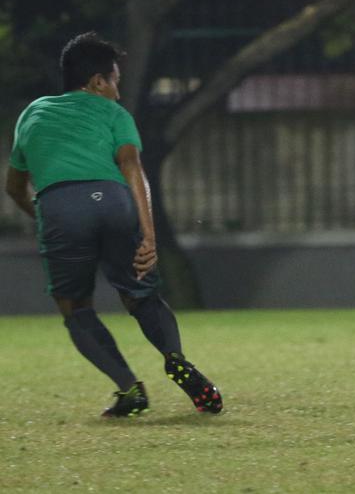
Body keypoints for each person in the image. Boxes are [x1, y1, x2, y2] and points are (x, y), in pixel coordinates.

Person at [5, 33, 222, 417]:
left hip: (59, 204)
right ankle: (176, 359)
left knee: (75, 308)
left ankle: (129, 389)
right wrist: (149, 233)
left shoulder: (33, 113)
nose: (118, 93)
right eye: (115, 81)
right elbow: (131, 167)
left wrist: (45, 213)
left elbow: (15, 188)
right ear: (97, 82)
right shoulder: (115, 114)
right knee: (141, 295)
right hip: (115, 201)